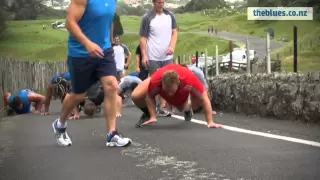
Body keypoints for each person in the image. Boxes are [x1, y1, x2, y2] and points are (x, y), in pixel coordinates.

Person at [51, 0, 131, 147]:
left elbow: (109, 20)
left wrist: (110, 41)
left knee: (112, 86)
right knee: (79, 95)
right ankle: (60, 124)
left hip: (104, 50)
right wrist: (87, 44)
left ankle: (111, 134)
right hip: (81, 52)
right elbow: (70, 23)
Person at [131, 64, 222, 128]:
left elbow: (204, 98)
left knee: (181, 108)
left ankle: (188, 108)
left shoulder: (189, 81)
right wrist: (153, 116)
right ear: (162, 83)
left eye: (171, 91)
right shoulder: (156, 82)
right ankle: (147, 114)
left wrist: (210, 122)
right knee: (136, 96)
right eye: (167, 91)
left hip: (183, 87)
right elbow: (149, 97)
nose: (169, 94)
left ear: (178, 83)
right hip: (161, 75)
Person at [139, 0, 178, 117]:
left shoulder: (170, 15)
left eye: (162, 2)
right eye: (158, 2)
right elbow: (143, 38)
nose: (161, 4)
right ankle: (152, 107)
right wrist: (144, 55)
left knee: (167, 82)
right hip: (153, 56)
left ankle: (162, 107)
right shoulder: (147, 18)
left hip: (167, 56)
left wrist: (172, 46)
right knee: (155, 82)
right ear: (153, 2)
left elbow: (175, 33)